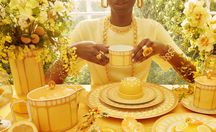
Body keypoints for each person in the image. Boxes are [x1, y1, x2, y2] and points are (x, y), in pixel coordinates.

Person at [45, 0, 196, 86]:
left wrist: (162, 49)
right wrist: (74, 51)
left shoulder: (152, 28)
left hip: (141, 107)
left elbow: (193, 76)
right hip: (96, 110)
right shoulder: (86, 29)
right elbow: (49, 82)